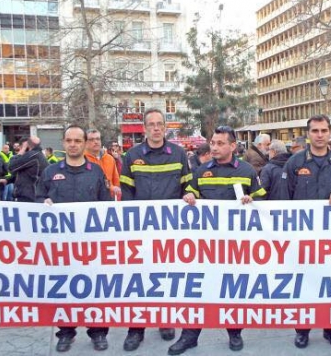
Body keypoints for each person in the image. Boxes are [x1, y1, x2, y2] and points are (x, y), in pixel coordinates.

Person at [168, 125, 266, 355]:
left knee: (232, 291)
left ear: (233, 146)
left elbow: (262, 199)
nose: (214, 147)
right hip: (206, 246)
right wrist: (189, 195)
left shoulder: (247, 170)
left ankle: (234, 333)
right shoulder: (202, 171)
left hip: (235, 245)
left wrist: (251, 199)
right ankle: (190, 336)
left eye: (220, 143)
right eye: (212, 143)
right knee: (198, 291)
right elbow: (190, 192)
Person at [281, 115, 331, 349]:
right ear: (308, 134)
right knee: (303, 284)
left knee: (330, 284)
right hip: (302, 236)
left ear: (330, 133)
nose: (320, 135)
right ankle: (302, 330)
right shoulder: (294, 162)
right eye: (315, 130)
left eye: (324, 130)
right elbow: (284, 198)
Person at [36, 125, 111, 352]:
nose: (73, 144)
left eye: (78, 140)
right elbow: (38, 198)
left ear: (85, 143)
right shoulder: (50, 172)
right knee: (64, 289)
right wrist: (43, 204)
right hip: (61, 246)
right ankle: (66, 332)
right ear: (63, 142)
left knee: (94, 290)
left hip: (90, 245)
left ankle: (98, 331)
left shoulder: (96, 172)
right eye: (69, 140)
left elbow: (106, 207)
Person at [120, 109, 190, 351]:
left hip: (170, 230)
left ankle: (165, 321)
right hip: (140, 230)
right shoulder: (132, 155)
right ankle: (135, 330)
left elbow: (187, 186)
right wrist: (131, 223)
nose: (156, 128)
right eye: (151, 124)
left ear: (165, 127)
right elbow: (127, 191)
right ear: (144, 128)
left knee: (167, 278)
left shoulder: (179, 153)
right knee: (137, 281)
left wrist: (190, 194)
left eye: (160, 124)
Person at [8, 136, 48, 202]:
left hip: (28, 197)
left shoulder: (32, 155)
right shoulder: (38, 155)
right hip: (34, 195)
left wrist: (22, 150)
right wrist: (8, 180)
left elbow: (11, 166)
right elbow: (24, 173)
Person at [85, 129, 121, 200]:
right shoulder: (82, 159)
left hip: (108, 200)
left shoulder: (110, 159)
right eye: (91, 139)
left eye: (98, 139)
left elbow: (116, 182)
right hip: (89, 201)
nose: (95, 142)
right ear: (85, 142)